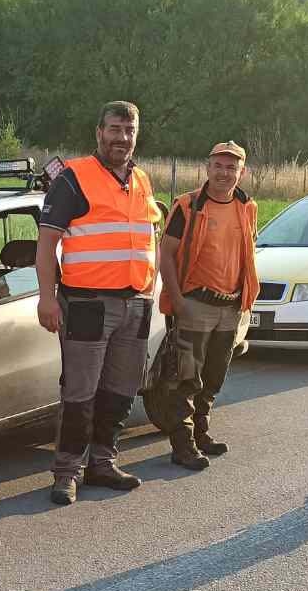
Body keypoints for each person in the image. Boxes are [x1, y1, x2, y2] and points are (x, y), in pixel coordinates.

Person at [36, 101, 159, 506]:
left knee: (121, 392)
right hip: (87, 305)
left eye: (129, 129)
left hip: (136, 303)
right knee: (80, 393)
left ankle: (103, 463)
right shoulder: (74, 178)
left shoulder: (141, 180)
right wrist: (46, 298)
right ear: (99, 132)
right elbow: (47, 244)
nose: (122, 137)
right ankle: (67, 472)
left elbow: (146, 238)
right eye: (114, 129)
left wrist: (151, 291)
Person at [152, 141, 258, 471]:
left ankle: (200, 433)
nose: (225, 173)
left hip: (231, 306)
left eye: (232, 168)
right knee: (185, 378)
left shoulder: (247, 206)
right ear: (207, 168)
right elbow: (165, 255)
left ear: (242, 172)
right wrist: (177, 299)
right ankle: (182, 445)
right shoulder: (187, 206)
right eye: (219, 166)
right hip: (195, 303)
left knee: (214, 376)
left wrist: (245, 301)